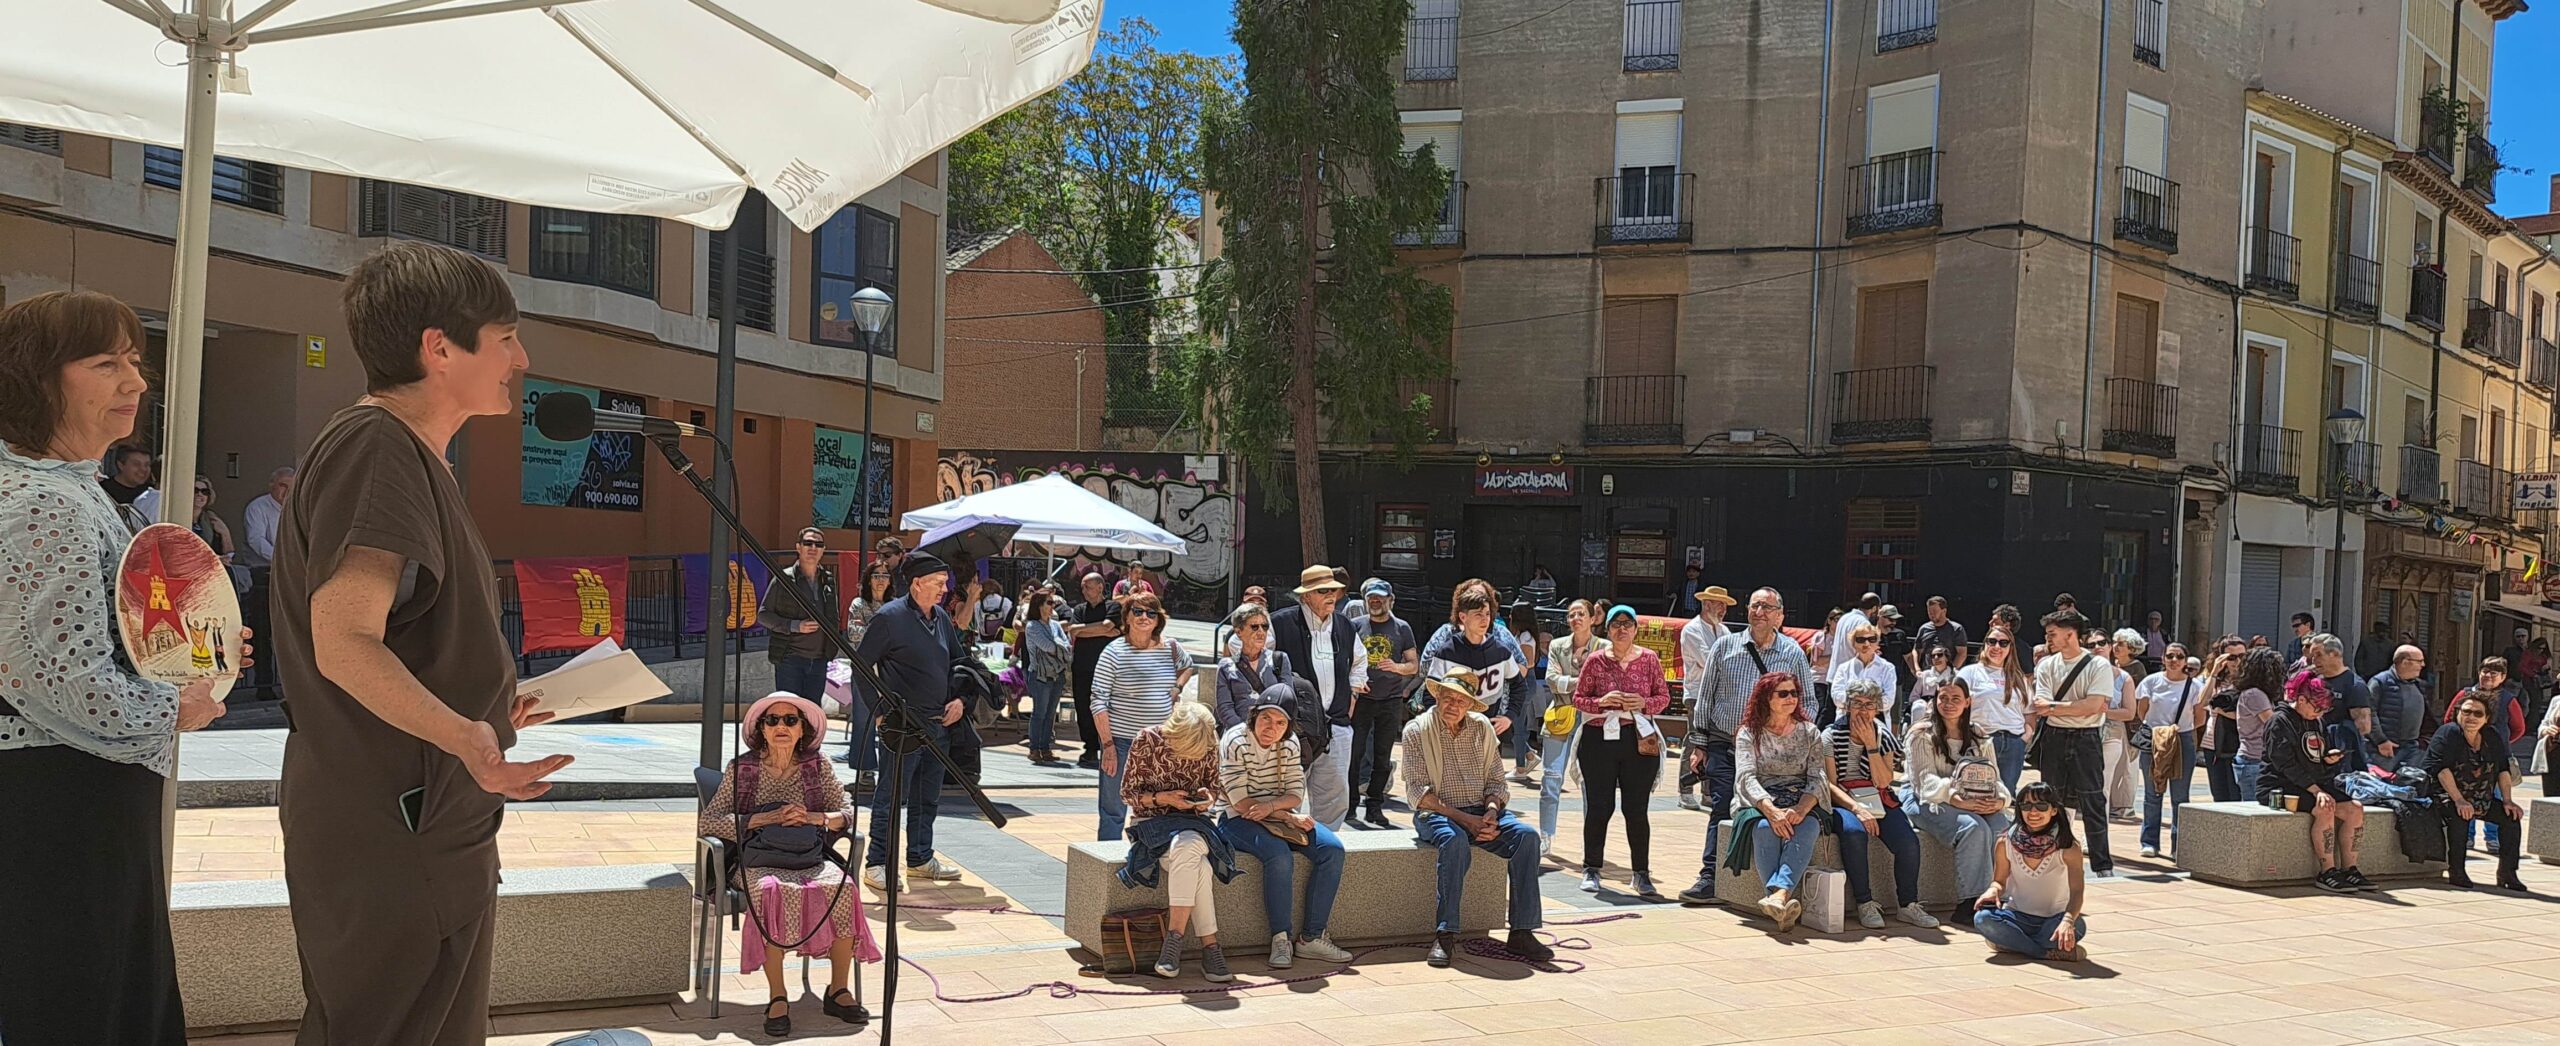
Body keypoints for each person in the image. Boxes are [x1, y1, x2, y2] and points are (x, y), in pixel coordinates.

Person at [268, 244, 571, 1045]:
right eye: (505, 337)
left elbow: (399, 640)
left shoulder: (404, 455)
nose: (521, 358)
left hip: (416, 819)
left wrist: (483, 703)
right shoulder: (378, 449)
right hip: (399, 826)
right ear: (440, 348)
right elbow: (344, 642)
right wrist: (466, 736)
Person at [0, 291, 236, 1044]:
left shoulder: (63, 489)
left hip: (65, 796)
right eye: (107, 363)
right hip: (66, 800)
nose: (137, 382)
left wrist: (204, 649)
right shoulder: (48, 501)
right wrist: (179, 707)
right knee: (86, 1003)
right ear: (37, 378)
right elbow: (56, 677)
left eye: (135, 362)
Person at [700, 692, 878, 1036]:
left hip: (809, 857)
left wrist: (814, 817)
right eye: (773, 720)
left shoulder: (818, 765)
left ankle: (838, 990)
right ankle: (778, 996)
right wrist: (764, 818)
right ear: (762, 730)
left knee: (842, 888)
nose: (781, 726)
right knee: (771, 890)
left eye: (790, 720)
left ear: (802, 730)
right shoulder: (742, 768)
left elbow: (847, 813)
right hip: (758, 861)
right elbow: (710, 822)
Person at [1404, 667, 1552, 967]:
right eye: (1447, 698)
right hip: (1438, 812)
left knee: (1527, 838)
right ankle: (1445, 934)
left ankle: (1522, 931)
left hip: (1481, 810)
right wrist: (1465, 820)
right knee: (1454, 840)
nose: (1452, 706)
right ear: (1437, 697)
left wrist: (1492, 813)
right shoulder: (1417, 730)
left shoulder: (1482, 727)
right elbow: (1419, 793)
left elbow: (1498, 782)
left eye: (1460, 701)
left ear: (1470, 704)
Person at [1677, 588, 1815, 905]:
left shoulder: (1792, 653)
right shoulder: (1725, 646)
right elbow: (1706, 698)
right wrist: (1699, 744)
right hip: (1725, 742)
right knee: (1720, 808)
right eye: (1755, 606)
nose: (1760, 612)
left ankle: (1762, 881)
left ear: (1780, 615)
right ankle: (1710, 878)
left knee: (1767, 809)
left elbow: (1807, 701)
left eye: (1767, 607)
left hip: (1772, 751)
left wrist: (1795, 739)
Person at [855, 553, 969, 891]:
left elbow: (960, 664)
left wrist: (961, 699)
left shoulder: (942, 620)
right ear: (918, 583)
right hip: (902, 725)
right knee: (891, 795)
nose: (945, 590)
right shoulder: (889, 618)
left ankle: (919, 857)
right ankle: (877, 862)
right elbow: (861, 668)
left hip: (938, 724)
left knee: (927, 795)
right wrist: (878, 713)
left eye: (945, 583)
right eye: (939, 583)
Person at [1216, 690, 1356, 966]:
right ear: (1254, 716)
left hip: (1278, 815)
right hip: (1236, 819)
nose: (1272, 728)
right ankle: (1280, 939)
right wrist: (1288, 817)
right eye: (1266, 719)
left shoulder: (1290, 743)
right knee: (1278, 854)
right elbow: (1242, 803)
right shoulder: (1235, 740)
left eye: (1281, 723)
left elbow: (1295, 794)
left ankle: (1312, 938)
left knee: (1333, 850)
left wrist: (1273, 810)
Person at [1119, 700, 1236, 981]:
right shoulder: (1146, 740)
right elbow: (1127, 794)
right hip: (1151, 825)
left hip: (1193, 823)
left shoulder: (1208, 742)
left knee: (1188, 843)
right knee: (1201, 867)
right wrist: (1163, 798)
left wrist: (1206, 799)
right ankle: (1210, 948)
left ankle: (1174, 940)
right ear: (1174, 734)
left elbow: (1214, 788)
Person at [1567, 605, 1671, 898]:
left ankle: (1641, 873)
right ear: (1607, 629)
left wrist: (1643, 703)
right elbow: (1578, 699)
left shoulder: (1649, 659)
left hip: (1638, 738)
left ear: (1636, 629)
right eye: (1616, 624)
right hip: (1599, 737)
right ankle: (1591, 867)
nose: (1622, 629)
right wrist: (1602, 701)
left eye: (1627, 624)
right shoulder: (1596, 660)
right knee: (1599, 807)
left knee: (1636, 809)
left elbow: (1662, 697)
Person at [1826, 678, 1937, 929]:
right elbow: (1830, 785)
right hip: (1844, 799)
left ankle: (1908, 904)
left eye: (1869, 705)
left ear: (1877, 708)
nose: (1863, 710)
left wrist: (1871, 746)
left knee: (1908, 841)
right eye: (1857, 704)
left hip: (1877, 795)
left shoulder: (1882, 734)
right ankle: (1865, 902)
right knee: (1854, 833)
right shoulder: (1829, 735)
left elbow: (1885, 779)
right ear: (1847, 706)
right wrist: (1857, 809)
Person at [1904, 675, 2012, 928]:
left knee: (2001, 828)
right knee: (1972, 828)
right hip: (1925, 799)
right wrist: (1956, 799)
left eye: (1955, 699)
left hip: (1972, 799)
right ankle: (1970, 902)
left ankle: (2000, 896)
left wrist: (2000, 801)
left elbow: (1994, 776)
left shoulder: (1978, 734)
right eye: (1943, 698)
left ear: (1967, 702)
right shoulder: (1921, 734)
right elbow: (1924, 782)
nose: (1949, 704)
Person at [1092, 590, 1197, 842]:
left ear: (1158, 619)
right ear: (1126, 617)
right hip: (1121, 742)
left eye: (1150, 613)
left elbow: (1188, 665)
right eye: (1137, 611)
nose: (1144, 617)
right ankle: (1107, 862)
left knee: (1155, 808)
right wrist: (1107, 745)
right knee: (1113, 810)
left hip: (1160, 745)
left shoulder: (1171, 647)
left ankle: (1147, 859)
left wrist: (1177, 688)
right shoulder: (1112, 652)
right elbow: (1098, 702)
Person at [1272, 565, 1366, 830]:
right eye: (1322, 591)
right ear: (1306, 596)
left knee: (1334, 797)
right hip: (1294, 729)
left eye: (1334, 590)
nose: (1330, 596)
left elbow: (1360, 661)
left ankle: (1327, 851)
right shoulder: (1279, 622)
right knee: (1287, 794)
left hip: (1337, 726)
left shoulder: (1346, 625)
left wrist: (1354, 695)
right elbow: (1248, 650)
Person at [1736, 671, 1831, 934]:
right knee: (1766, 828)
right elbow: (1745, 777)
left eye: (1794, 693)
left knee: (1808, 827)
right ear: (1767, 698)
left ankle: (1777, 898)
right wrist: (1771, 810)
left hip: (1801, 797)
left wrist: (1801, 808)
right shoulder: (1749, 733)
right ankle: (1781, 897)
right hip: (1762, 798)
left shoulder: (1810, 732)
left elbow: (1817, 776)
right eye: (1783, 693)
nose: (1791, 699)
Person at [2260, 670, 2372, 893]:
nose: (2319, 713)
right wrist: (2315, 790)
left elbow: (2317, 759)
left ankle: (2350, 868)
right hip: (2279, 786)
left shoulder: (2317, 723)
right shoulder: (2278, 721)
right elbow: (2284, 763)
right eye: (2316, 707)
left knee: (2355, 809)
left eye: (2324, 709)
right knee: (2324, 807)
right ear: (2301, 699)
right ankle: (2327, 870)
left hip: (2314, 782)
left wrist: (2329, 760)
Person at [2027, 608, 2116, 878]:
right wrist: (2072, 707)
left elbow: (2095, 706)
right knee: (2050, 799)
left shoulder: (2098, 664)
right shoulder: (2046, 665)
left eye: (2052, 634)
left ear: (2070, 634)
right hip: (2055, 737)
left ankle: (2102, 864)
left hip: (2087, 738)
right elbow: (2040, 706)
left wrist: (2056, 707)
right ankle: (2049, 856)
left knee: (2092, 800)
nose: (2048, 639)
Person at [1973, 782, 2089, 962]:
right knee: (1983, 918)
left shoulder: (2069, 848)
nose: (2033, 812)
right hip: (2016, 916)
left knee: (2077, 926)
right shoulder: (2005, 842)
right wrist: (1993, 890)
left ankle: (2011, 944)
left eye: (2041, 806)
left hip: (2054, 918)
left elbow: (2077, 892)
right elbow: (2000, 882)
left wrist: (2067, 921)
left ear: (2054, 810)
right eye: (2026, 806)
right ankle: (2042, 952)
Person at [2425, 692, 2526, 891]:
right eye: (2466, 712)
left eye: (2477, 714)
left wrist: (2508, 800)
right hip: (2445, 795)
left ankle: (2508, 872)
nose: (2470, 717)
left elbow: (2503, 769)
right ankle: (2457, 870)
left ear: (2486, 718)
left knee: (2511, 819)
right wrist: (2459, 800)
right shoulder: (2449, 733)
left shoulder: (2491, 737)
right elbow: (2441, 770)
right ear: (2458, 714)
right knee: (2460, 817)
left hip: (2480, 798)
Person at [1539, 600, 1607, 853]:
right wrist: (1584, 683)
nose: (1576, 618)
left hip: (1593, 720)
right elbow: (1552, 681)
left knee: (1592, 782)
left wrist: (1573, 684)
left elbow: (1605, 684)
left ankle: (1591, 841)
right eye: (1571, 615)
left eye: (1581, 614)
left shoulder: (1605, 648)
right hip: (1560, 715)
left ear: (1592, 619)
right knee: (1551, 777)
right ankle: (1545, 835)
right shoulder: (1557, 645)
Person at [1352, 578, 1419, 828]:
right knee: (1355, 754)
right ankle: (1350, 804)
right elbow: (1345, 659)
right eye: (1371, 598)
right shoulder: (1355, 625)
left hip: (1390, 700)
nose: (1376, 602)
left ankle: (1374, 806)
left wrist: (1397, 667)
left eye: (1380, 598)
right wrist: (1354, 681)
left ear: (1390, 600)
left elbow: (1414, 664)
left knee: (1382, 757)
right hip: (1362, 699)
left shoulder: (1402, 628)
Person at [760, 527, 841, 716]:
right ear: (798, 547)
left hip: (820, 660)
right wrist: (794, 626)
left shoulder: (828, 580)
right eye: (808, 543)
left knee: (811, 717)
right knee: (788, 714)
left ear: (823, 550)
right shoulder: (783, 579)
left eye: (818, 544)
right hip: (791, 659)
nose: (813, 548)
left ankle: (809, 748)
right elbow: (763, 615)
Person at [2134, 645, 2201, 858]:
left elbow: (2199, 718)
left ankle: (2178, 844)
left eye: (2179, 656)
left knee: (2180, 795)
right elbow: (2141, 710)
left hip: (2182, 739)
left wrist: (2178, 730)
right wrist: (2158, 729)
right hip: (2155, 738)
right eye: (2169, 656)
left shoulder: (2194, 686)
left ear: (2186, 660)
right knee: (2153, 792)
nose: (2174, 660)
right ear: (2163, 658)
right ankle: (2149, 841)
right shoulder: (2151, 681)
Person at [1675, 582, 1736, 804]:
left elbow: (1728, 660)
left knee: (1715, 743)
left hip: (1718, 694)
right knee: (1694, 740)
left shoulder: (1724, 630)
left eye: (1725, 606)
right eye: (1720, 605)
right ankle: (1685, 789)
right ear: (1707, 604)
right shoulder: (1691, 629)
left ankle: (1708, 792)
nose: (1723, 610)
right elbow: (1708, 660)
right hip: (1697, 694)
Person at [237, 466, 292, 698]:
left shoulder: (297, 509)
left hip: (290, 577)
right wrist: (285, 560)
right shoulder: (257, 508)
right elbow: (256, 540)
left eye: (291, 486)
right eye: (282, 485)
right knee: (262, 633)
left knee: (290, 634)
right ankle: (264, 685)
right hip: (263, 576)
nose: (287, 491)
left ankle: (291, 687)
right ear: (272, 485)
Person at [1957, 623, 2033, 792]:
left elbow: (2029, 711)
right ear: (1985, 644)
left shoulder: (2018, 677)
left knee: (2006, 795)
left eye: (2003, 643)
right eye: (1992, 641)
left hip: (2013, 743)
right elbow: (1955, 705)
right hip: (1980, 740)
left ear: (2010, 648)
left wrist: (2025, 737)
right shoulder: (1969, 673)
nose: (1997, 647)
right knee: (1975, 792)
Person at [839, 564, 894, 785]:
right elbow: (854, 633)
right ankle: (865, 769)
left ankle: (890, 768)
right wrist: (884, 636)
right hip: (865, 670)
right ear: (868, 580)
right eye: (876, 576)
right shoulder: (858, 604)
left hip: (890, 671)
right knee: (864, 719)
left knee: (890, 718)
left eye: (885, 575)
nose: (880, 580)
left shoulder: (895, 605)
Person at [1065, 572, 1123, 769]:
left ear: (1100, 587)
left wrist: (1085, 630)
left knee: (1106, 706)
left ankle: (1106, 743)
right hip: (1082, 666)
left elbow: (1109, 626)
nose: (1084, 591)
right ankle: (1089, 747)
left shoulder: (1113, 607)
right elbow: (1073, 630)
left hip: (1107, 669)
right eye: (1082, 587)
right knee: (1083, 706)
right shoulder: (1080, 609)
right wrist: (1101, 630)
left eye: (1088, 586)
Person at [1215, 601, 1291, 734]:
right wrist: (1244, 734)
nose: (1261, 632)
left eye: (1265, 626)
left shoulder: (1279, 660)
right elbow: (1224, 707)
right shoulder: (1226, 666)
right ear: (1239, 632)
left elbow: (1287, 699)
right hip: (1238, 737)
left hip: (1272, 736)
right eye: (1254, 627)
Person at [2303, 632, 2373, 771]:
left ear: (2334, 654)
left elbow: (2363, 727)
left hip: (2338, 758)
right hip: (2310, 749)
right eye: (2312, 656)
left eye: (2318, 655)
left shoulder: (2354, 685)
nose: (2313, 661)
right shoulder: (2312, 680)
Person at [2221, 647, 2284, 800]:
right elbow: (2273, 723)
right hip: (2253, 760)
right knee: (2253, 811)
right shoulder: (2254, 694)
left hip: (2255, 760)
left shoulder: (2258, 693)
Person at [2100, 630, 2147, 820]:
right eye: (2115, 643)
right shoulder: (2112, 666)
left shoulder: (2135, 669)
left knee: (2127, 767)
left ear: (2131, 648)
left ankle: (2123, 806)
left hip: (2128, 725)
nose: (2116, 647)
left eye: (2122, 644)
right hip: (2111, 724)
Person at [1020, 591, 1072, 764]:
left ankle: (1045, 747)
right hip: (1039, 675)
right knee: (1039, 713)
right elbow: (1047, 646)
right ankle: (1034, 748)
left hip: (1057, 674)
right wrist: (1060, 647)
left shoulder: (1056, 625)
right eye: (1049, 602)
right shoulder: (1032, 626)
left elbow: (1067, 645)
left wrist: (1060, 647)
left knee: (1051, 714)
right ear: (1039, 605)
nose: (1052, 606)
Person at [1829, 622, 1899, 738]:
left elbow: (1888, 701)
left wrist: (1856, 703)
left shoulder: (1888, 668)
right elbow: (1837, 697)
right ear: (1853, 644)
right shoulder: (1844, 668)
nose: (1866, 643)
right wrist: (1870, 703)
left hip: (1877, 726)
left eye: (1871, 639)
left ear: (1877, 642)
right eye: (1860, 640)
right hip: (1846, 726)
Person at [2368, 645, 2430, 774]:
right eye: (2419, 661)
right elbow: (2368, 713)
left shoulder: (2419, 684)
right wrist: (2381, 740)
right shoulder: (2380, 682)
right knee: (2382, 787)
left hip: (2412, 748)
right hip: (2385, 750)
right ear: (2405, 662)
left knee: (2410, 786)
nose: (2423, 665)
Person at [1914, 595, 1971, 674]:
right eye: (1929, 611)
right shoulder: (1924, 629)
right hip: (1928, 673)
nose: (1931, 614)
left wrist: (1951, 671)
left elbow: (1962, 653)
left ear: (1944, 611)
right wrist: (1917, 669)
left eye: (1934, 611)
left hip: (1949, 674)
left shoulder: (1956, 629)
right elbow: (1917, 650)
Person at [187, 476, 236, 558]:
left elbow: (229, 554)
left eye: (204, 491)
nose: (200, 494)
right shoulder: (179, 515)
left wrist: (225, 533)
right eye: (195, 490)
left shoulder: (210, 518)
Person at [1807, 608, 1840, 726]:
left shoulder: (1842, 639)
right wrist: (1835, 656)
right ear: (1829, 621)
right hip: (1819, 678)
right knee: (1822, 708)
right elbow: (1816, 661)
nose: (1839, 622)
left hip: (1835, 680)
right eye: (1836, 619)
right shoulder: (1821, 637)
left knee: (1831, 712)